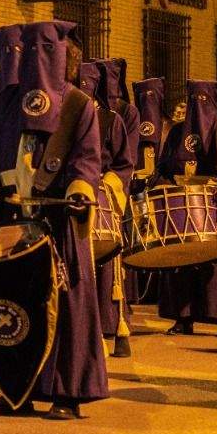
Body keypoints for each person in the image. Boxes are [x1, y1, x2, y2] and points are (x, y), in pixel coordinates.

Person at [0, 20, 107, 420]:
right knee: (12, 301)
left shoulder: (79, 106)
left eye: (46, 51)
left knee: (66, 308)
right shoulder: (2, 105)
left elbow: (88, 160)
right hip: (10, 218)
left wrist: (79, 190)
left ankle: (67, 393)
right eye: (30, 51)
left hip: (59, 220)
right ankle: (15, 390)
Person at [154, 80, 217, 338]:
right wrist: (169, 183)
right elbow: (162, 169)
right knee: (183, 261)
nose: (198, 107)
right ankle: (183, 317)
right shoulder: (177, 132)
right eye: (193, 100)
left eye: (204, 101)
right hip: (183, 205)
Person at [85, 58, 138, 358]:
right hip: (73, 200)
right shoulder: (61, 114)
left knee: (108, 268)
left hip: (103, 198)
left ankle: (113, 329)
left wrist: (109, 184)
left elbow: (123, 163)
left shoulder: (111, 120)